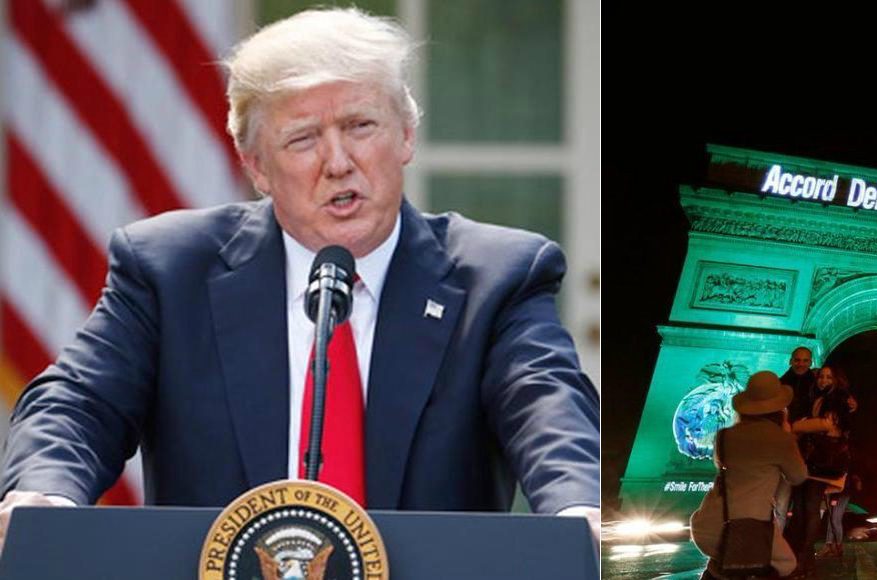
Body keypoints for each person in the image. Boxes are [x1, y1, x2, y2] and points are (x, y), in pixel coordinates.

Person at [0, 7, 599, 549]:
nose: (338, 162)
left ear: (407, 135)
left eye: (361, 126)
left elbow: (550, 408)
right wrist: (44, 497)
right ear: (256, 166)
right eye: (303, 139)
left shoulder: (496, 278)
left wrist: (579, 506)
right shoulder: (169, 268)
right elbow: (77, 404)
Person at [690, 371, 808, 579]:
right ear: (780, 409)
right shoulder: (781, 440)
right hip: (750, 532)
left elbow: (721, 466)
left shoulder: (724, 436)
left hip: (708, 527)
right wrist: (788, 437)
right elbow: (798, 476)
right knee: (787, 565)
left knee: (726, 564)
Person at [785, 365, 854, 575]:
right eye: (821, 376)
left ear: (837, 380)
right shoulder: (816, 397)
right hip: (808, 460)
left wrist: (796, 426)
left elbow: (827, 424)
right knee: (800, 509)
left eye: (828, 377)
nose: (823, 380)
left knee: (810, 508)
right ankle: (801, 557)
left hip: (821, 462)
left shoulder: (839, 400)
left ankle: (804, 556)